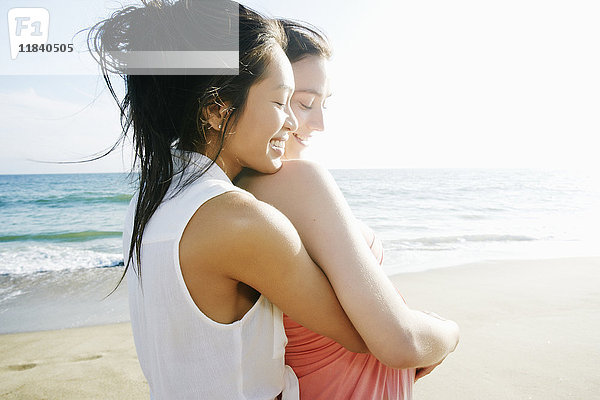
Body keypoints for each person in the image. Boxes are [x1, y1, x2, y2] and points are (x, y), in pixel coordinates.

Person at [91, 1, 458, 399]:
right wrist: (448, 332)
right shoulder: (240, 220)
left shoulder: (151, 203)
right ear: (217, 108)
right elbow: (388, 339)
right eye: (284, 101)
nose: (294, 122)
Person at [236, 20, 458, 399]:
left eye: (324, 104)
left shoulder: (229, 194)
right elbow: (399, 341)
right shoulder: (294, 181)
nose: (319, 123)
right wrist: (448, 333)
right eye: (304, 103)